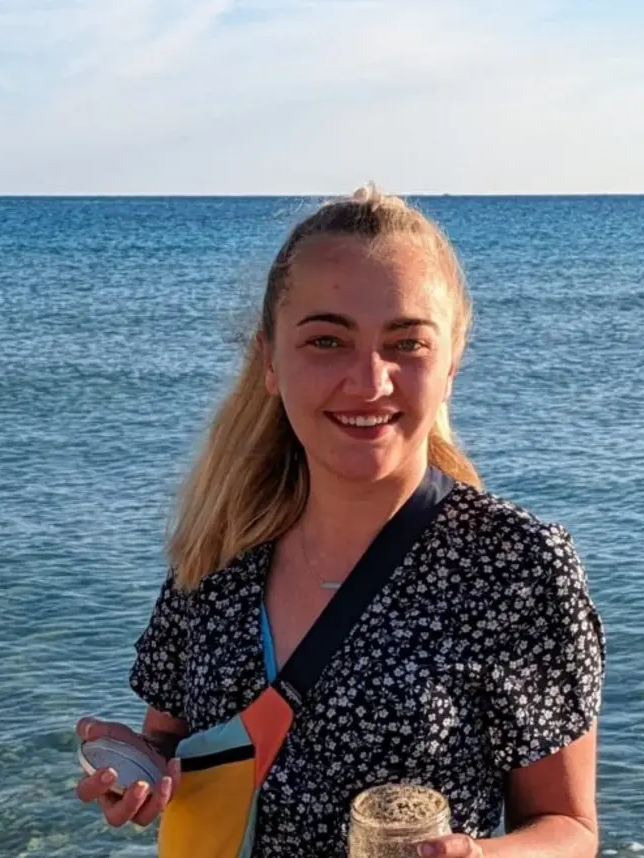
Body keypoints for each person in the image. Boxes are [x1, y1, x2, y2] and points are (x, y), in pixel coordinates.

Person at [74, 185, 606, 858]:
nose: (369, 381)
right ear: (271, 361)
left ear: (452, 361)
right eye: (327, 340)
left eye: (406, 343)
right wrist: (142, 773)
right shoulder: (217, 551)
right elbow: (178, 746)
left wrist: (484, 856)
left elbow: (568, 827)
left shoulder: (515, 565)